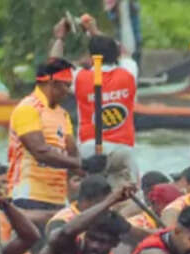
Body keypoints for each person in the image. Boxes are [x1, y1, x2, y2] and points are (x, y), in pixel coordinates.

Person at [8, 58, 105, 229]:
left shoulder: (63, 114)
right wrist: (83, 163)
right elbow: (41, 152)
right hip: (29, 196)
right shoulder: (28, 108)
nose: (68, 91)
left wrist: (91, 170)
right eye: (66, 85)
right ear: (52, 83)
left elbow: (72, 154)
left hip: (58, 198)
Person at [53, 19, 138, 166]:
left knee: (92, 187)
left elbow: (54, 65)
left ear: (91, 57)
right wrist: (94, 31)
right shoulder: (129, 71)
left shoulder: (79, 77)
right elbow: (121, 51)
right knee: (129, 188)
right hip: (122, 148)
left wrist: (60, 37)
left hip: (90, 148)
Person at [46, 175, 112, 235]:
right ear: (86, 201)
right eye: (101, 204)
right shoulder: (61, 221)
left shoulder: (106, 217)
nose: (106, 208)